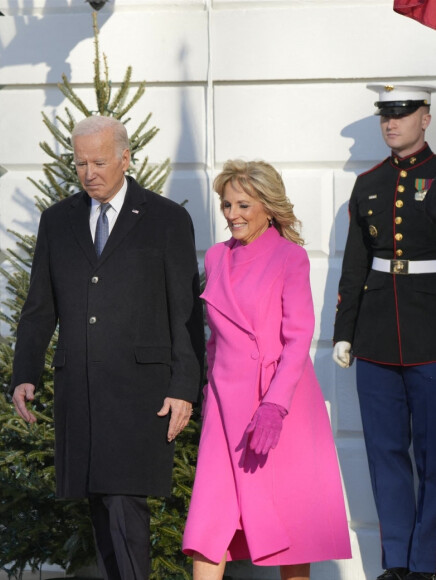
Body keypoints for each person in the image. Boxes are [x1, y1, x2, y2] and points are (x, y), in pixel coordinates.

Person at [11, 115, 204, 580]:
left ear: (125, 158)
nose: (89, 172)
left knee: (123, 504)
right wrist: (24, 373)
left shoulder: (166, 219)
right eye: (80, 163)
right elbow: (40, 307)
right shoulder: (58, 221)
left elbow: (186, 313)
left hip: (140, 392)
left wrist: (185, 387)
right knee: (100, 505)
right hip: (81, 390)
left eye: (98, 162)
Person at [183, 159, 351, 580]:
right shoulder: (218, 256)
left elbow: (299, 338)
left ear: (267, 206)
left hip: (279, 404)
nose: (232, 215)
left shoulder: (289, 256)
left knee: (291, 518)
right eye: (226, 205)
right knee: (209, 518)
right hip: (225, 407)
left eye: (242, 205)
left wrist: (274, 405)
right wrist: (208, 391)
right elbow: (214, 337)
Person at [333, 84, 436, 580]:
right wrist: (344, 331)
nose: (391, 124)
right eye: (385, 116)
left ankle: (427, 561)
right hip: (375, 336)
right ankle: (396, 560)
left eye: (402, 114)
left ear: (426, 118)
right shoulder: (368, 184)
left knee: (434, 454)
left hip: (432, 335)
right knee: (384, 453)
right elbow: (355, 266)